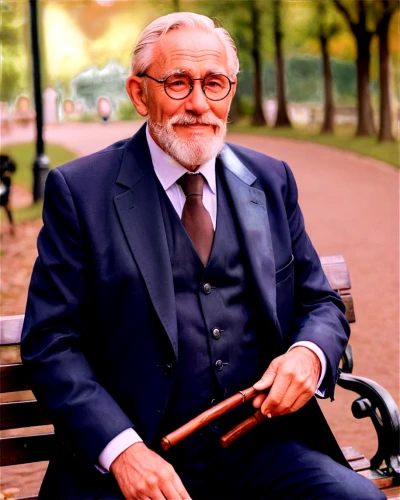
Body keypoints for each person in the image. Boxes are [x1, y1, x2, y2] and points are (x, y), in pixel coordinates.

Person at [21, 12, 384, 500]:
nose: (198, 103)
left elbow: (320, 303)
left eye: (214, 84)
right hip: (138, 454)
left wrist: (309, 355)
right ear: (138, 92)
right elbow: (51, 342)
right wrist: (123, 452)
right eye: (177, 83)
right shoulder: (79, 192)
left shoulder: (271, 180)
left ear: (230, 92)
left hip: (261, 448)